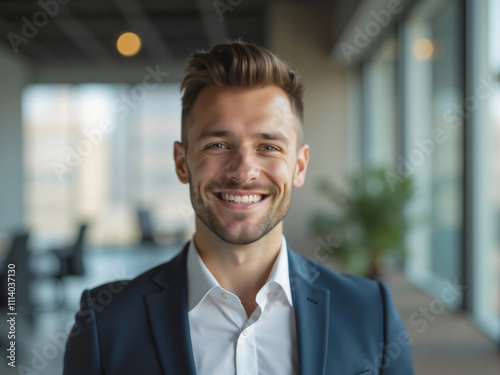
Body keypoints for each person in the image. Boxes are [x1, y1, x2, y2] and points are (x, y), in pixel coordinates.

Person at [63, 40, 415, 375]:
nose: (243, 171)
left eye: (269, 147)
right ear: (182, 162)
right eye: (217, 144)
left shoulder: (371, 312)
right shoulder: (106, 321)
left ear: (300, 166)